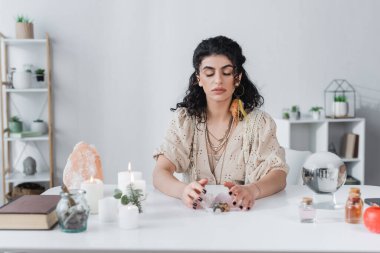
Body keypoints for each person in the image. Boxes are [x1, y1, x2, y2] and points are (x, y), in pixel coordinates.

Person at [153, 36, 288, 211]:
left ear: (237, 78)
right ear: (199, 78)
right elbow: (159, 173)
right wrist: (182, 191)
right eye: (209, 73)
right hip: (195, 218)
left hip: (246, 217)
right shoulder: (185, 120)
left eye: (226, 72)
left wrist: (252, 190)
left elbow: (279, 175)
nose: (218, 80)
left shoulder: (259, 123)